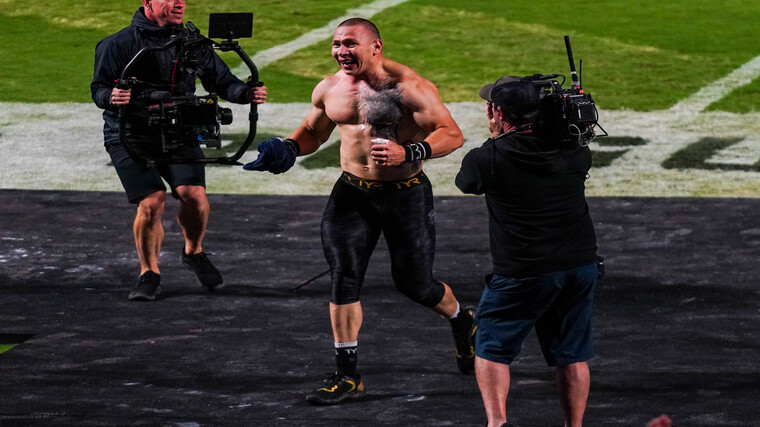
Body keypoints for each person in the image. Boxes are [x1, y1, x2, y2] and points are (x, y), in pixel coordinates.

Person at [244, 18, 476, 405]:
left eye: (350, 43)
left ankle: (462, 319)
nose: (341, 51)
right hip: (352, 194)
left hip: (406, 194)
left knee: (416, 286)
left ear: (375, 47)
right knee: (343, 279)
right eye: (336, 44)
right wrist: (286, 149)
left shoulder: (410, 88)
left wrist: (410, 151)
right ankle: (348, 375)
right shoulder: (330, 87)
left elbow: (451, 132)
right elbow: (314, 132)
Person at [91, 0, 267, 301]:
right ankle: (149, 272)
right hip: (130, 134)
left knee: (195, 197)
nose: (179, 3)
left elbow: (222, 81)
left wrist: (244, 92)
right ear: (147, 2)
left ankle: (193, 252)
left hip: (179, 130)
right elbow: (99, 89)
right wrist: (113, 95)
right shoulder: (116, 44)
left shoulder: (192, 43)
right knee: (151, 202)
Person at [455, 77, 601, 427]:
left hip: (524, 272)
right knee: (571, 355)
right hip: (579, 266)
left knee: (490, 347)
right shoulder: (576, 150)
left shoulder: (486, 159)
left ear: (496, 112)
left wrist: (495, 138)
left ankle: (496, 423)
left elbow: (466, 183)